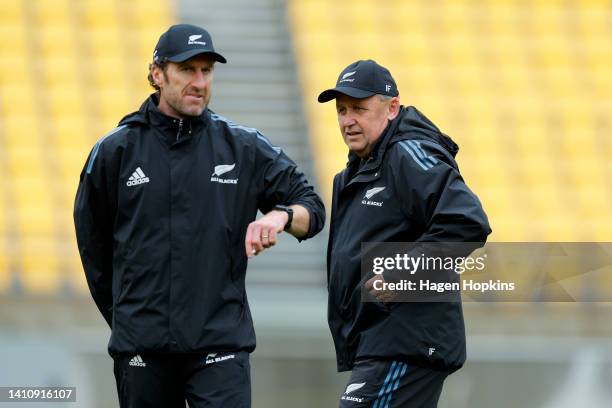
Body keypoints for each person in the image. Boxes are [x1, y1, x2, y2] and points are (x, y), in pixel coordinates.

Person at [74, 23, 325, 408]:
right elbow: (94, 248)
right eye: (187, 70)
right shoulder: (114, 151)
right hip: (143, 348)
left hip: (220, 347)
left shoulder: (242, 146)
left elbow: (312, 207)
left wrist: (280, 217)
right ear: (157, 74)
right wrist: (127, 317)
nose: (199, 81)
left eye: (206, 70)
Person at [319, 59, 491, 407]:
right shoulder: (352, 175)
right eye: (341, 110)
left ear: (392, 107)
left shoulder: (407, 153)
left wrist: (400, 273)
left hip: (406, 341)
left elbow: (467, 222)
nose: (347, 120)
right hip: (380, 342)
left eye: (359, 109)